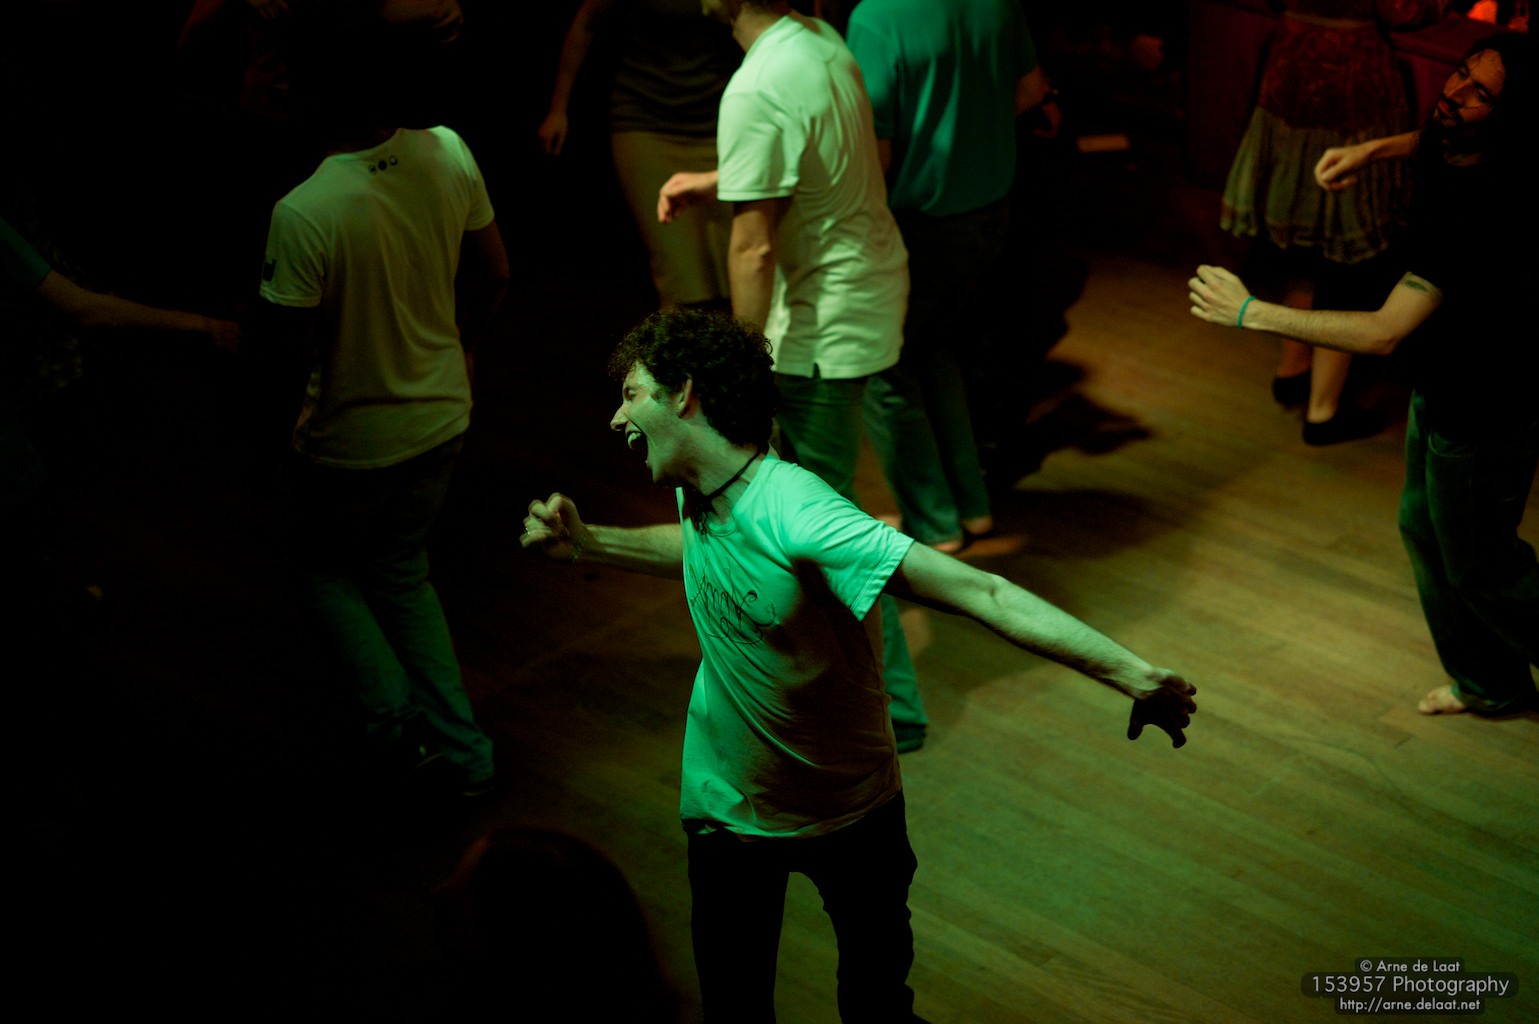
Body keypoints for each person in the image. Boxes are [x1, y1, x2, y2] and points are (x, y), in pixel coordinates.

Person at [521, 309, 1197, 1023]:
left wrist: (1133, 675)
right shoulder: (697, 482)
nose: (615, 417)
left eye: (631, 394)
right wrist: (591, 544)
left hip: (849, 811)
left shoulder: (804, 515)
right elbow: (701, 549)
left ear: (684, 393)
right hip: (725, 809)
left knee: (877, 1008)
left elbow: (984, 591)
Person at [1190, 33, 1537, 715]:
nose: (1456, 93)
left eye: (1481, 93)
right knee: (1423, 530)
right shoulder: (1453, 137)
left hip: (1487, 407)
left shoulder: (1485, 203)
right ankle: (1490, 684)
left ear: (1508, 117)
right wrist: (1371, 150)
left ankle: (1492, 678)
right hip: (1445, 384)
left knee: (1484, 568)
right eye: (1461, 72)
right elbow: (1427, 138)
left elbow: (1383, 331)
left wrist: (1250, 313)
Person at [655, 0, 930, 749]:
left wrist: (737, 370)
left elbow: (753, 249)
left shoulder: (755, 83)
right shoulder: (817, 41)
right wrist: (721, 179)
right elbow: (818, 163)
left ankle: (895, 709)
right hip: (862, 294)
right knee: (821, 523)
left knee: (828, 537)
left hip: (821, 328)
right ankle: (872, 699)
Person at [257, 18, 509, 794]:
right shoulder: (449, 149)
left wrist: (269, 442)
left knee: (319, 570)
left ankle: (394, 727)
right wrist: (464, 346)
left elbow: (285, 355)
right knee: (401, 571)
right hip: (443, 414)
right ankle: (464, 754)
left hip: (353, 439)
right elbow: (496, 273)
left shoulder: (305, 211)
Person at [845, 0, 1057, 551]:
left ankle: (933, 523)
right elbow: (1031, 90)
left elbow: (875, 152)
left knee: (882, 368)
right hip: (989, 216)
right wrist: (967, 131)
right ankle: (970, 506)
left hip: (919, 226)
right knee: (932, 350)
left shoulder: (878, 18)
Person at [1219, 0, 1443, 445]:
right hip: (1354, 86)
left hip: (1290, 67)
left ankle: (1292, 369)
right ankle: (1323, 410)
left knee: (1303, 245)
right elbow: (1406, 10)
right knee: (1348, 259)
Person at [537, 0, 739, 310]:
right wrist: (558, 108)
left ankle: (734, 342)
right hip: (647, 121)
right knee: (680, 275)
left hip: (722, 126)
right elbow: (588, 21)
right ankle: (673, 341)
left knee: (736, 269)